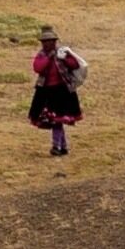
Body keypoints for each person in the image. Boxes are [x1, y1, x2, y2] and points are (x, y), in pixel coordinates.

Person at [29, 27, 86, 155]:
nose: (47, 44)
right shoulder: (42, 56)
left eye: (50, 41)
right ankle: (62, 146)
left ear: (54, 41)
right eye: (45, 42)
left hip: (62, 92)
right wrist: (49, 58)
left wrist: (65, 58)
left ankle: (57, 147)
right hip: (47, 92)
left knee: (57, 121)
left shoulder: (63, 53)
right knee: (56, 121)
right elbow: (37, 68)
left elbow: (74, 64)